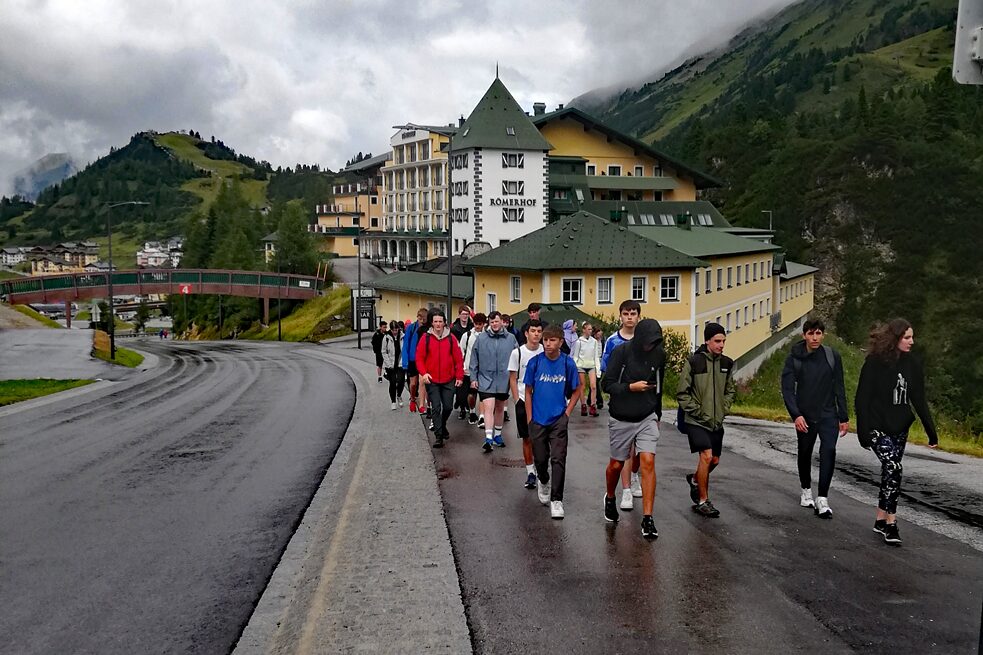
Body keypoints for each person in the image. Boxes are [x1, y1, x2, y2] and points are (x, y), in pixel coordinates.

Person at [855, 318, 938, 546]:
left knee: (890, 473)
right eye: (907, 337)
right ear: (895, 338)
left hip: (900, 427)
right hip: (876, 426)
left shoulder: (913, 364)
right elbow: (862, 398)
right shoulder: (874, 362)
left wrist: (931, 431)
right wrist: (863, 431)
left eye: (912, 337)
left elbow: (918, 399)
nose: (912, 341)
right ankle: (892, 523)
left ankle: (880, 519)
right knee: (894, 467)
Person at [601, 319, 665, 539]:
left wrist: (658, 414)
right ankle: (610, 497)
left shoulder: (659, 354)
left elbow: (659, 386)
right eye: (647, 342)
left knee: (648, 461)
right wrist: (631, 387)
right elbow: (607, 385)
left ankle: (648, 518)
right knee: (616, 465)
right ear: (639, 339)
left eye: (654, 343)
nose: (650, 347)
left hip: (647, 415)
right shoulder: (621, 352)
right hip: (621, 416)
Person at [780, 317, 849, 518]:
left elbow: (839, 386)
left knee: (829, 451)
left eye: (818, 333)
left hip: (828, 414)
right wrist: (796, 415)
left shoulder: (832, 356)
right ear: (804, 335)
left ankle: (823, 499)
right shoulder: (794, 358)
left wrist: (843, 416)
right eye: (811, 333)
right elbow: (787, 390)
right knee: (805, 452)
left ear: (823, 335)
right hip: (805, 415)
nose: (815, 337)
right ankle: (806, 490)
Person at [678, 322, 736, 518]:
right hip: (696, 421)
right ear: (707, 341)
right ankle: (703, 501)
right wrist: (697, 411)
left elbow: (730, 390)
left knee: (715, 460)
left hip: (716, 422)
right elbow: (682, 393)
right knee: (707, 456)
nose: (721, 345)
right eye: (717, 341)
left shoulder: (727, 363)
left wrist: (724, 408)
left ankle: (695, 479)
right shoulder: (694, 362)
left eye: (723, 341)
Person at [524, 325, 581, 519]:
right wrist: (530, 418)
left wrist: (567, 414)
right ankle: (543, 480)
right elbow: (528, 391)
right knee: (540, 459)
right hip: (538, 419)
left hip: (558, 419)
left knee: (558, 459)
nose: (548, 344)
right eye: (545, 340)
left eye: (552, 340)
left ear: (561, 342)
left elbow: (577, 390)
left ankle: (557, 500)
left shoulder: (567, 363)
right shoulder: (535, 363)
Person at [601, 300, 642, 509]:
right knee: (625, 448)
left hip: (642, 401)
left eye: (633, 313)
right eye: (626, 313)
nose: (629, 317)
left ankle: (634, 474)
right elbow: (606, 370)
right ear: (620, 316)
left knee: (640, 449)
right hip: (621, 399)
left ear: (639, 317)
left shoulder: (645, 339)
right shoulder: (612, 341)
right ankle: (626, 490)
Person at [415, 309, 464, 449]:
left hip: (449, 379)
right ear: (432, 323)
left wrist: (459, 376)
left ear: (444, 323)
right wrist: (424, 373)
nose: (438, 324)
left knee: (448, 407)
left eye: (440, 321)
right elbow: (419, 358)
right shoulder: (426, 338)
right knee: (436, 407)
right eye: (435, 321)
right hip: (432, 379)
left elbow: (458, 359)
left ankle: (442, 425)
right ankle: (438, 436)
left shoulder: (451, 338)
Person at [470, 310, 518, 452]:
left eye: (497, 321)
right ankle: (488, 438)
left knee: (499, 407)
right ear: (489, 323)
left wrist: (515, 377)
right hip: (485, 378)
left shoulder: (511, 338)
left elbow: (517, 357)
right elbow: (474, 359)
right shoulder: (481, 338)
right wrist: (473, 378)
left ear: (501, 322)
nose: (495, 324)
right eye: (492, 322)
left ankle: (497, 434)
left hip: (503, 379)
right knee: (488, 407)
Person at [509, 319, 545, 489]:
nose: (536, 334)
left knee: (542, 438)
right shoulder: (517, 353)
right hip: (523, 399)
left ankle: (541, 468)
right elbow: (513, 378)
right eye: (533, 331)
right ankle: (530, 472)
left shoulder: (545, 351)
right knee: (527, 438)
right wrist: (517, 399)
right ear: (526, 333)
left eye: (539, 331)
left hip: (542, 400)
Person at [402, 308, 430, 415]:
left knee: (423, 381)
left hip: (423, 360)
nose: (422, 321)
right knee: (413, 384)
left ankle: (422, 405)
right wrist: (405, 361)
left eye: (424, 319)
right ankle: (413, 398)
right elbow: (405, 345)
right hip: (412, 359)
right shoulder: (411, 328)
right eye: (421, 319)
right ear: (418, 317)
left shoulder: (427, 328)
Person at [461, 313, 486, 425]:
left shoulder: (487, 336)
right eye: (476, 324)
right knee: (471, 394)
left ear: (484, 324)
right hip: (469, 369)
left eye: (480, 324)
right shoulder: (467, 335)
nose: (477, 326)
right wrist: (463, 366)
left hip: (484, 370)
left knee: (483, 394)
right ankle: (472, 411)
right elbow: (461, 351)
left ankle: (482, 416)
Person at [572, 320, 601, 417]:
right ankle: (583, 405)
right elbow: (576, 356)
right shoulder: (579, 342)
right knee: (582, 386)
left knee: (593, 386)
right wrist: (575, 367)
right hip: (581, 365)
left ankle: (593, 406)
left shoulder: (594, 342)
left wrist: (598, 369)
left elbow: (596, 356)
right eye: (588, 329)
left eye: (591, 329)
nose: (590, 331)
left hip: (591, 365)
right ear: (584, 330)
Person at [382, 320, 405, 410]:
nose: (395, 332)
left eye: (396, 330)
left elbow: (404, 349)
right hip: (390, 364)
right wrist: (388, 363)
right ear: (391, 329)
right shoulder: (386, 337)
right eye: (393, 330)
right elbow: (384, 351)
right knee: (392, 382)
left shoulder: (402, 336)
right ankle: (393, 401)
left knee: (401, 381)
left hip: (400, 362)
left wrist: (404, 361)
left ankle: (399, 395)